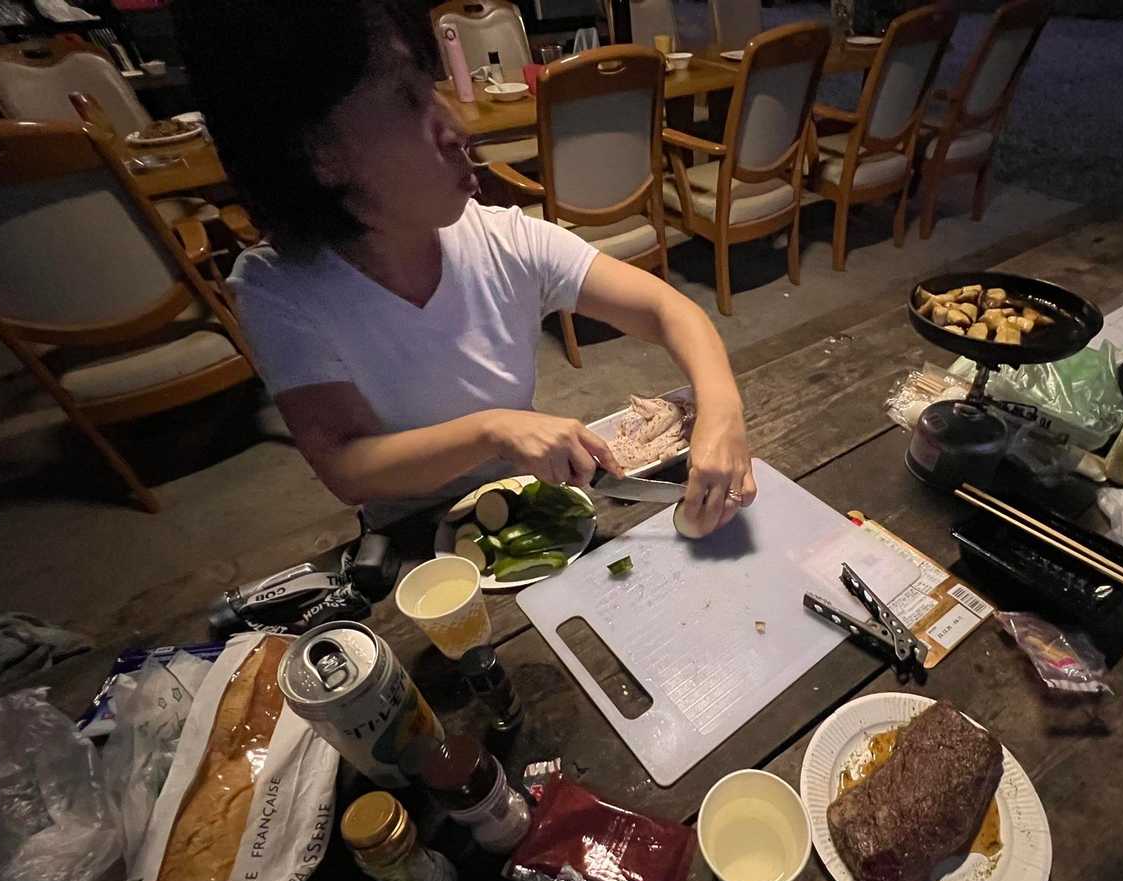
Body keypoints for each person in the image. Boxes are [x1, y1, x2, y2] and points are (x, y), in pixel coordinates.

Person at [176, 0, 755, 532]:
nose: (459, 129)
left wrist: (722, 411)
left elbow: (665, 309)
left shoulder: (501, 239)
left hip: (535, 505)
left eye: (432, 87)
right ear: (318, 152)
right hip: (413, 536)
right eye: (407, 101)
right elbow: (347, 466)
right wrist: (492, 429)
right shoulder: (279, 287)